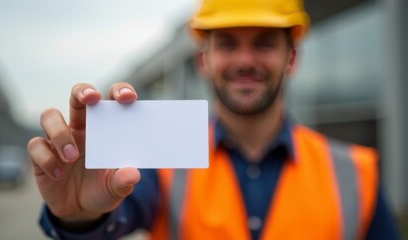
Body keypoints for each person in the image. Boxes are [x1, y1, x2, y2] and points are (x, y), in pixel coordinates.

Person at [28, 0, 400, 239]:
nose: (245, 60)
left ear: (291, 59)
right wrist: (79, 215)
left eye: (264, 43)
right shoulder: (163, 161)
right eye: (227, 43)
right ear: (203, 61)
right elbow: (113, 211)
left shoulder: (354, 173)